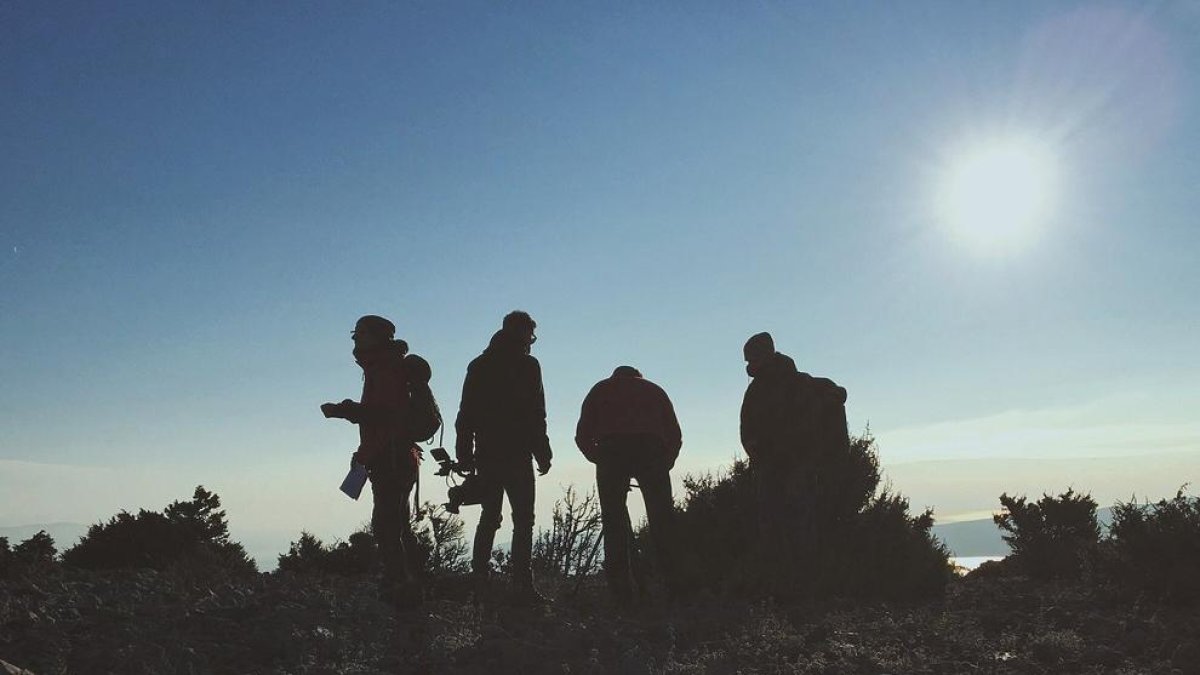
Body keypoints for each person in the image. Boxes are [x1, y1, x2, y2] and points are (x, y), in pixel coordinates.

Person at [321, 315, 422, 607]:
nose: (355, 338)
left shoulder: (385, 368)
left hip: (391, 457)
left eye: (361, 333)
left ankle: (401, 588)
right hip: (396, 455)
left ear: (377, 338)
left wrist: (345, 410)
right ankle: (410, 584)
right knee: (397, 524)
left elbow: (385, 415)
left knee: (387, 525)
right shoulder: (384, 366)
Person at [739, 331, 848, 596]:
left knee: (789, 525)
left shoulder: (777, 388)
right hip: (791, 467)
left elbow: (748, 431)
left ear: (763, 357)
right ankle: (795, 586)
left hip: (793, 468)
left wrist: (762, 456)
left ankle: (792, 587)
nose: (749, 365)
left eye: (752, 359)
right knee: (794, 525)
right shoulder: (801, 383)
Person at [455, 310, 552, 602]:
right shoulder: (528, 365)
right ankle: (522, 586)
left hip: (487, 452)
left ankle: (480, 581)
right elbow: (536, 412)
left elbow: (466, 413)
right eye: (531, 335)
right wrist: (542, 451)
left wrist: (464, 453)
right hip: (518, 453)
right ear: (524, 333)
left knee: (490, 516)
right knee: (523, 520)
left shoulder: (480, 364)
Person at [576, 366, 683, 606]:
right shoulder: (655, 391)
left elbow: (582, 435)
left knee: (613, 522)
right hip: (651, 452)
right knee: (662, 520)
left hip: (612, 452)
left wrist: (598, 458)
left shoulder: (600, 390)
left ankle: (621, 593)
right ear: (638, 375)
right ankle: (674, 586)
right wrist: (666, 462)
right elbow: (674, 434)